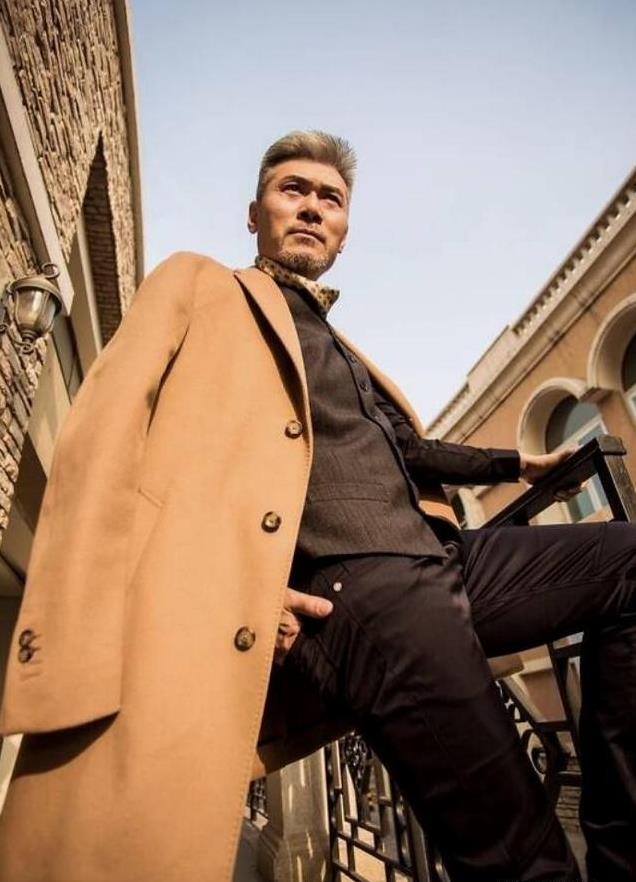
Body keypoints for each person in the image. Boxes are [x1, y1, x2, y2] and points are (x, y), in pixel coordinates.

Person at [0, 131, 634, 882]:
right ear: (254, 213)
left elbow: (412, 450)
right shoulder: (198, 285)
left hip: (445, 558)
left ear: (343, 229)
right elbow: (106, 436)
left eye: (329, 199)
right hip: (360, 586)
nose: (311, 207)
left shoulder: (342, 349)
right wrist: (228, 586)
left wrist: (517, 463)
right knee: (521, 851)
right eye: (291, 189)